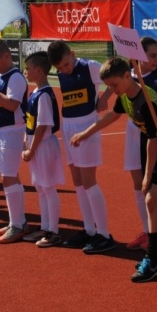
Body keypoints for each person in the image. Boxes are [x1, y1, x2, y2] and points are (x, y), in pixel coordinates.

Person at [83, 57, 157, 277]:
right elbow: (112, 116)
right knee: (155, 204)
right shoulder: (126, 95)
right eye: (109, 86)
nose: (112, 90)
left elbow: (155, 139)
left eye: (114, 85)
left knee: (152, 200)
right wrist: (87, 132)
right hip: (151, 147)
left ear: (128, 76)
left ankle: (154, 257)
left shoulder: (147, 102)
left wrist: (147, 174)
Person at [48, 41, 111, 252]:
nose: (65, 69)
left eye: (66, 64)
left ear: (72, 54)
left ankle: (103, 233)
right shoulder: (61, 72)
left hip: (87, 126)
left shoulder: (90, 66)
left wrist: (105, 97)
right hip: (68, 127)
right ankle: (89, 229)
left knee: (89, 181)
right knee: (77, 181)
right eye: (60, 68)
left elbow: (115, 76)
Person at [122, 36, 157, 251]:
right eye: (152, 56)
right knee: (138, 184)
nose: (156, 60)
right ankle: (147, 230)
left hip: (156, 134)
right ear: (138, 56)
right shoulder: (129, 76)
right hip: (134, 132)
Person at [0, 39, 30, 244]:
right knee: (11, 177)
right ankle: (17, 221)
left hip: (12, 131)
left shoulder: (15, 78)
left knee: (8, 178)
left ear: (6, 56)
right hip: (0, 130)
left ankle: (17, 225)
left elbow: (11, 105)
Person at [21, 51, 66, 248]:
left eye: (28, 68)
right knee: (40, 188)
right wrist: (26, 142)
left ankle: (53, 231)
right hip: (36, 145)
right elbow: (30, 123)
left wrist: (31, 148)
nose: (26, 71)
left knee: (47, 187)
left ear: (38, 71)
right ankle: (45, 226)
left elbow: (42, 125)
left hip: (44, 146)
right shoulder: (36, 93)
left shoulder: (45, 95)